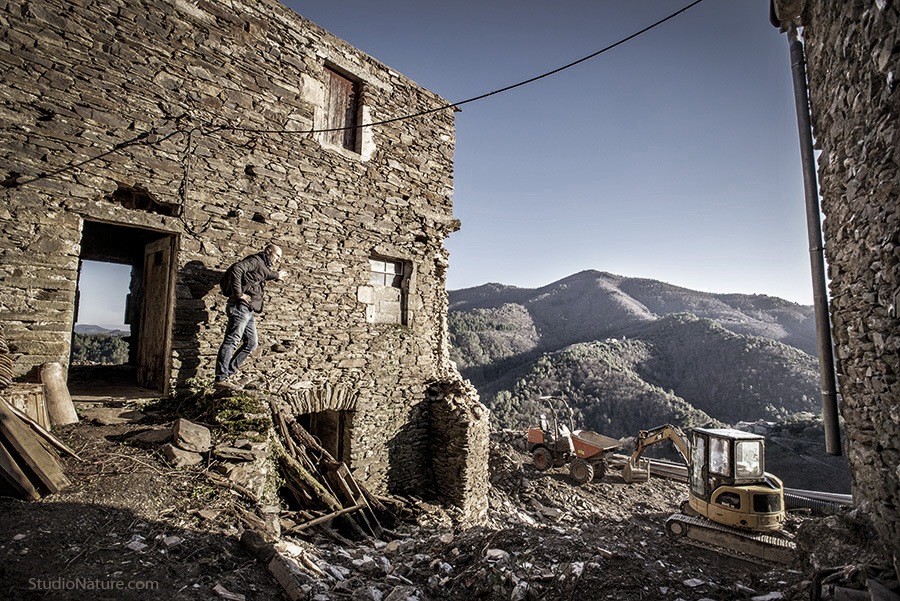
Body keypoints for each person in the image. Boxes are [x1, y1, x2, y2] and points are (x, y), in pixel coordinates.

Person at [215, 243, 287, 389]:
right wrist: (238, 294)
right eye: (277, 255)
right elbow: (237, 269)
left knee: (251, 343)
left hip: (249, 310)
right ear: (268, 251)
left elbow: (265, 274)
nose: (278, 259)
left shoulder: (262, 267)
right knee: (232, 340)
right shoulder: (255, 260)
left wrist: (276, 275)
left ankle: (228, 374)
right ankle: (221, 378)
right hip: (240, 307)